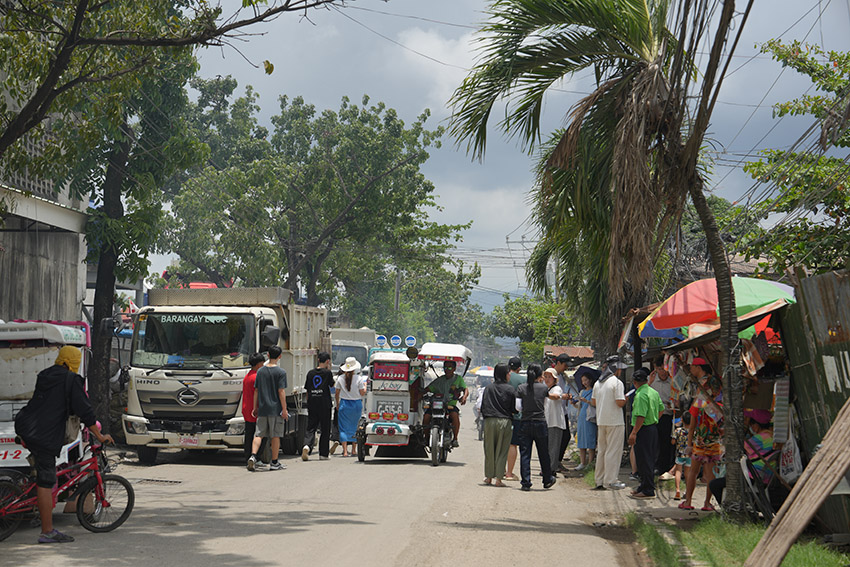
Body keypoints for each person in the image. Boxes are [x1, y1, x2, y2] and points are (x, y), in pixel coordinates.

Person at [15, 346, 114, 544]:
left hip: (26, 426)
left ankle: (36, 509)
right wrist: (100, 436)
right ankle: (47, 531)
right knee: (46, 481)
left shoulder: (45, 375)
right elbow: (85, 411)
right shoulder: (71, 380)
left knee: (43, 474)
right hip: (43, 435)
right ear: (72, 362)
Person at [679, 357, 723, 511]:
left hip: (702, 435)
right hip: (714, 434)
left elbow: (695, 413)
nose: (691, 370)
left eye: (692, 367)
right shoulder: (715, 384)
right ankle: (707, 503)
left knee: (694, 470)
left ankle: (688, 501)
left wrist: (689, 442)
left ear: (699, 367)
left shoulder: (702, 387)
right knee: (710, 470)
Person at [709, 409, 774, 505]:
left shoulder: (760, 438)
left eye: (750, 424)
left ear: (756, 425)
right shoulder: (770, 436)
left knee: (714, 484)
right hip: (765, 476)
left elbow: (739, 446)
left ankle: (726, 509)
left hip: (754, 477)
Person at [516, 364, 556, 491]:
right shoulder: (544, 388)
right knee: (543, 453)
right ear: (540, 375)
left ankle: (526, 482)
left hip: (525, 422)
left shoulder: (521, 388)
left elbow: (518, 407)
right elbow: (544, 403)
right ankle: (547, 479)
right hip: (540, 422)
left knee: (525, 454)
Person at [247, 345, 288, 471]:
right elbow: (281, 391)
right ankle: (274, 462)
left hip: (263, 408)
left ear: (268, 355)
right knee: (275, 436)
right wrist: (284, 409)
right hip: (275, 409)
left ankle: (253, 456)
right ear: (280, 356)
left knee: (259, 434)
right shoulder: (281, 372)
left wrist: (255, 407)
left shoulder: (260, 371)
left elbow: (256, 391)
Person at [591, 355, 628, 491]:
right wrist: (626, 398)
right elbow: (619, 403)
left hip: (601, 420)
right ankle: (611, 480)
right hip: (615, 421)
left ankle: (599, 479)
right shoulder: (617, 383)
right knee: (613, 451)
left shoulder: (597, 383)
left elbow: (594, 402)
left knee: (602, 451)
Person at [628, 368, 665, 499]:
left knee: (644, 460)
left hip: (643, 429)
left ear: (634, 382)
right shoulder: (653, 392)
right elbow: (661, 409)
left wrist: (633, 433)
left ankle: (648, 489)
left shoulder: (640, 395)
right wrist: (653, 419)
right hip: (652, 428)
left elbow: (640, 416)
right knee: (647, 458)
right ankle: (643, 486)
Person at [480, 363, 516, 486]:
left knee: (489, 449)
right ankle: (499, 479)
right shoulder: (511, 389)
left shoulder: (488, 388)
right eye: (508, 372)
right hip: (505, 421)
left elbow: (483, 406)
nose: (510, 374)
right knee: (502, 450)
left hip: (489, 421)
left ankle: (489, 477)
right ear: (504, 374)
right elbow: (513, 408)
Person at [423, 359, 468, 448]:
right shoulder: (440, 380)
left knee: (454, 415)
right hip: (436, 405)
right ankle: (426, 437)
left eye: (450, 367)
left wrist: (464, 397)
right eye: (445, 367)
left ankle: (455, 438)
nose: (447, 369)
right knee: (426, 417)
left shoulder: (458, 379)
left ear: (454, 369)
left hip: (449, 405)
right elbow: (428, 389)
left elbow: (465, 389)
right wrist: (420, 394)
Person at [302, 351, 334, 461]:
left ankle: (307, 446)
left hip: (312, 402)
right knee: (325, 428)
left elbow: (307, 390)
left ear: (318, 360)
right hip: (324, 403)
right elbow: (331, 384)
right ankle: (323, 454)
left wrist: (309, 401)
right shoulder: (327, 373)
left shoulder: (310, 373)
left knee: (311, 427)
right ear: (328, 361)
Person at [649, 355, 675, 478]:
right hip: (654, 416)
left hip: (667, 415)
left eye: (665, 369)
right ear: (655, 369)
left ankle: (665, 467)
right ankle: (655, 466)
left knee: (666, 443)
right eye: (660, 369)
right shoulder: (651, 380)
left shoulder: (673, 381)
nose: (663, 372)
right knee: (654, 443)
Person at [335, 356, 365, 457]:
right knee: (355, 427)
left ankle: (344, 451)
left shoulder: (340, 378)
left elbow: (337, 393)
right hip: (356, 404)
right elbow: (362, 393)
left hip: (344, 404)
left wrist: (337, 404)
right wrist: (365, 387)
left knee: (343, 428)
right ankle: (353, 450)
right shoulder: (360, 379)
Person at [242, 352, 268, 463]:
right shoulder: (257, 377)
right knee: (262, 434)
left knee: (249, 434)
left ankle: (248, 457)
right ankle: (256, 457)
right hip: (256, 410)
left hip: (246, 409)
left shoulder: (247, 376)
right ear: (258, 364)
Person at [503, 356, 524, 481]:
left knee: (501, 444)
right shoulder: (522, 379)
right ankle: (509, 473)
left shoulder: (503, 377)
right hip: (516, 416)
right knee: (512, 444)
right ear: (519, 368)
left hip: (502, 414)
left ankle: (499, 470)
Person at [552, 353, 574, 472]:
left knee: (565, 437)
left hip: (562, 411)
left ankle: (557, 461)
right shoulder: (552, 375)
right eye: (565, 365)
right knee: (556, 438)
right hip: (554, 411)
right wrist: (562, 396)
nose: (566, 367)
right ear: (559, 363)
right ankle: (553, 463)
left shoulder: (562, 376)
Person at [543, 368, 566, 478]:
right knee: (547, 447)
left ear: (555, 379)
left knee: (553, 448)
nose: (547, 379)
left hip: (555, 422)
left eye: (549, 377)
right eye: (545, 377)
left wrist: (545, 394)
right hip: (547, 421)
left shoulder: (556, 388)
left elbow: (556, 396)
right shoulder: (545, 389)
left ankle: (551, 469)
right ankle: (547, 468)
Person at [573, 372, 597, 471]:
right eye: (583, 381)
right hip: (582, 418)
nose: (584, 383)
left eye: (586, 380)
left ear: (590, 380)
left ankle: (590, 463)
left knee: (591, 441)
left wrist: (587, 401)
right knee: (581, 440)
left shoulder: (594, 391)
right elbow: (579, 406)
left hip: (590, 418)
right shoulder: (582, 392)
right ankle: (582, 462)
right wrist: (573, 403)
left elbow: (595, 404)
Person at [671, 412, 692, 500]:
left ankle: (678, 490)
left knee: (678, 471)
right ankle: (687, 491)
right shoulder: (693, 431)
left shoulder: (678, 431)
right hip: (689, 454)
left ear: (682, 420)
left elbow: (672, 442)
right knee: (687, 473)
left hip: (680, 453)